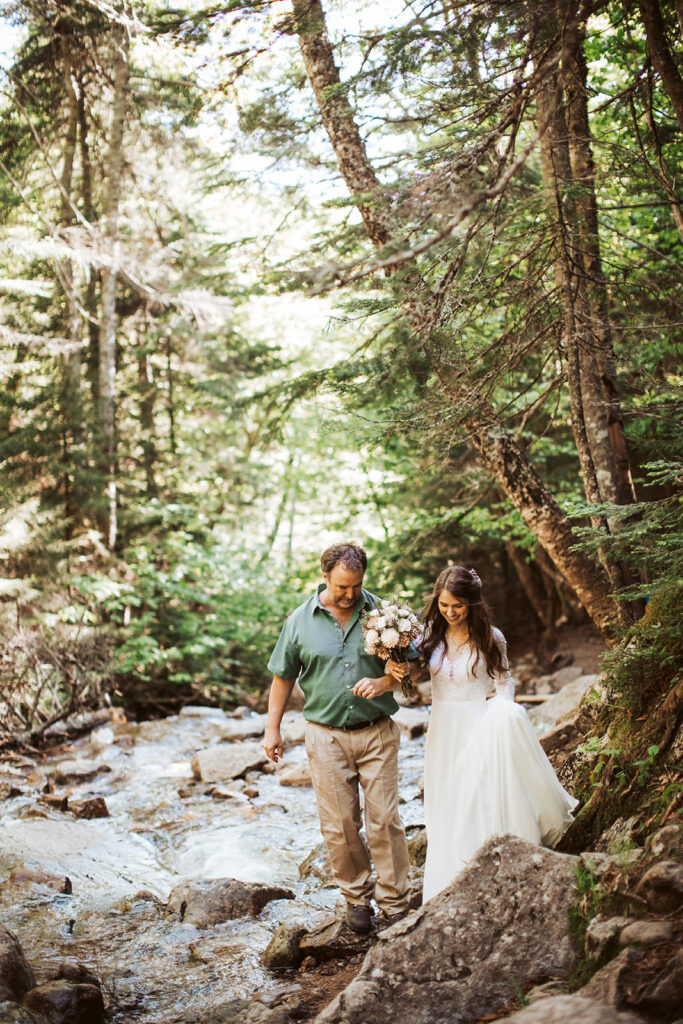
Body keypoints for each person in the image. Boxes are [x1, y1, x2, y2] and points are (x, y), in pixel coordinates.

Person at [388, 565, 578, 902]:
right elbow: (413, 678)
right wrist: (397, 666)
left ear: (472, 603)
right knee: (447, 803)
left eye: (457, 606)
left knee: (479, 798)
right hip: (443, 728)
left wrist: (502, 714)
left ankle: (490, 876)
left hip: (480, 725)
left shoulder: (491, 637)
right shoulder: (428, 634)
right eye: (444, 605)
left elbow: (505, 683)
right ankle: (449, 882)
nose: (450, 612)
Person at [264, 542, 413, 933]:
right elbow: (282, 677)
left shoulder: (383, 613)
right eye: (343, 587)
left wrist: (384, 681)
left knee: (385, 820)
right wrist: (272, 728)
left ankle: (396, 903)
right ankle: (356, 900)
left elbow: (412, 663)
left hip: (377, 732)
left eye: (357, 586)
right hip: (325, 737)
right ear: (325, 576)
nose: (350, 595)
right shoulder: (299, 621)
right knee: (340, 825)